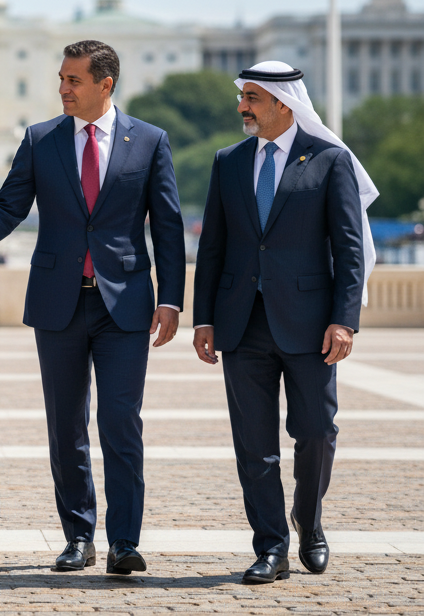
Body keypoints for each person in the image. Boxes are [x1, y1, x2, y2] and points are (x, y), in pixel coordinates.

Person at [0, 40, 185, 575]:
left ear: (105, 84)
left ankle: (124, 542)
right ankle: (78, 537)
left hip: (126, 307)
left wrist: (172, 299)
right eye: (62, 79)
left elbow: (167, 227)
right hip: (59, 304)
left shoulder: (151, 141)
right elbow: (6, 209)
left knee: (120, 421)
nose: (62, 88)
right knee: (65, 425)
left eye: (73, 80)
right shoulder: (40, 139)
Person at [192, 61, 377, 585]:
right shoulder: (228, 161)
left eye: (252, 97)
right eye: (242, 96)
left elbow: (348, 250)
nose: (242, 106)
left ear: (283, 103)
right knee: (254, 442)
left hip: (311, 324)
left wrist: (345, 320)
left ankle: (309, 520)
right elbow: (213, 248)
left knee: (316, 431)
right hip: (241, 324)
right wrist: (203, 318)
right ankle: (270, 546)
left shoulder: (328, 161)